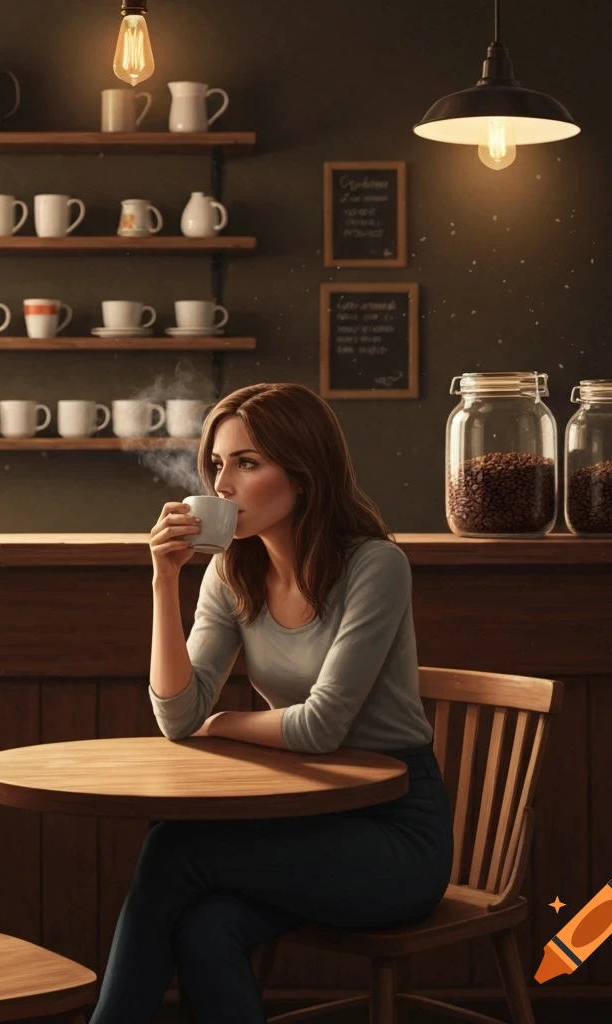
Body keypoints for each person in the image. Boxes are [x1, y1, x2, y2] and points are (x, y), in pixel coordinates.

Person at [89, 382, 453, 1024]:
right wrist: (163, 579)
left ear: (304, 476)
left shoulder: (376, 566)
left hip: (393, 830)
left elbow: (320, 726)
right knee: (205, 928)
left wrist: (224, 720)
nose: (222, 485)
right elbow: (177, 717)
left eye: (247, 463)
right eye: (217, 465)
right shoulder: (232, 574)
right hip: (306, 819)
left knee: (177, 848)